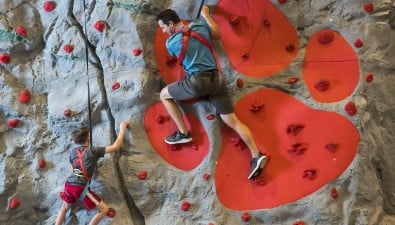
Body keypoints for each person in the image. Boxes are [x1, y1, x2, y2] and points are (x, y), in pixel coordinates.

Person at [156, 6, 268, 179]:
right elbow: (216, 33)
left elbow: (176, 50)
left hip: (198, 82)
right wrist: (205, 16)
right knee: (232, 121)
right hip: (217, 79)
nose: (163, 31)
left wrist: (181, 32)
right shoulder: (198, 26)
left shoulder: (171, 42)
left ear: (170, 24)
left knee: (164, 94)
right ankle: (257, 154)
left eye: (163, 27)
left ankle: (183, 133)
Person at [55, 121, 129, 225]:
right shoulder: (93, 151)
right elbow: (115, 147)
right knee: (104, 210)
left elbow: (73, 169)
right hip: (80, 188)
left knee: (65, 207)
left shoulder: (73, 152)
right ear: (88, 139)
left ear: (75, 142)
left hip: (69, 185)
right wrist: (122, 129)